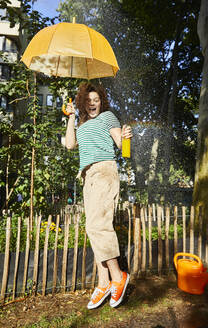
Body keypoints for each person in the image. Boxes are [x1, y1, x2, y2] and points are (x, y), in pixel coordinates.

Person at [65, 82, 132, 309]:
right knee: (92, 227)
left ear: (101, 102)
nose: (93, 103)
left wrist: (126, 137)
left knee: (98, 226)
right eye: (88, 100)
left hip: (104, 170)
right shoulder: (82, 123)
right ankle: (103, 282)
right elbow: (69, 145)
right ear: (83, 103)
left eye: (96, 100)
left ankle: (117, 276)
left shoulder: (108, 117)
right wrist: (71, 117)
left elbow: (122, 147)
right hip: (88, 176)